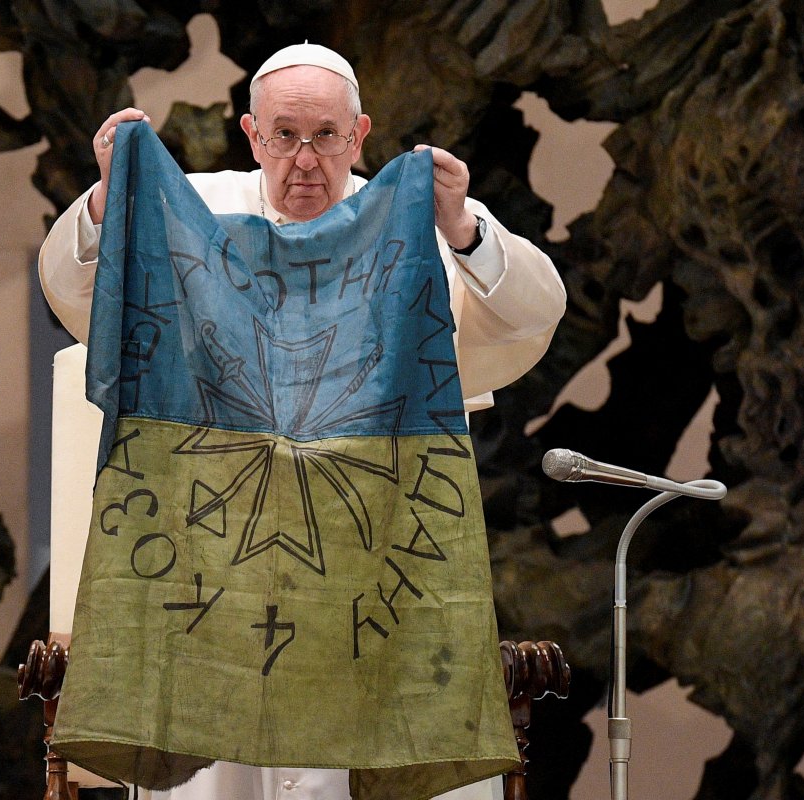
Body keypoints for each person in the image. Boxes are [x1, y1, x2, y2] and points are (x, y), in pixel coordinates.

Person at [39, 43, 566, 800]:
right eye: (285, 135)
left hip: (377, 565)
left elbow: (533, 314)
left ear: (361, 134)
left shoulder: (419, 221)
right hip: (214, 583)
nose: (307, 158)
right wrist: (104, 199)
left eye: (327, 135)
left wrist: (463, 228)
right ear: (253, 134)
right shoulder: (191, 211)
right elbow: (73, 285)